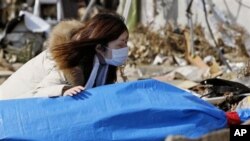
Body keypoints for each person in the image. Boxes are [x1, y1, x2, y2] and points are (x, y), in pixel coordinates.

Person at [0, 12, 129, 100]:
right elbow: (37, 93)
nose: (125, 49)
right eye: (120, 44)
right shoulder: (67, 60)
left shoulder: (102, 64)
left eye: (126, 42)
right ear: (99, 47)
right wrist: (62, 90)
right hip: (8, 111)